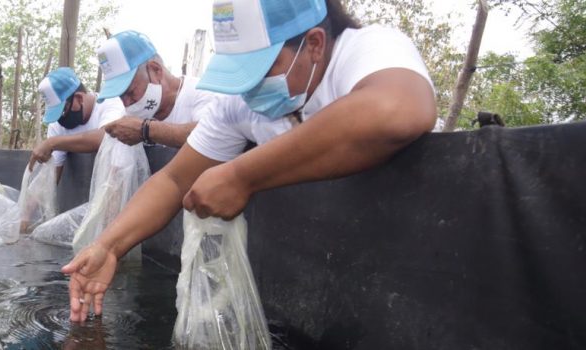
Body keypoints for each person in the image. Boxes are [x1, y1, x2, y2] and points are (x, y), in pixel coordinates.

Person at [63, 0, 437, 322]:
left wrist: (242, 175)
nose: (247, 88)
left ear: (315, 45)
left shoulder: (369, 48)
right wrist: (108, 246)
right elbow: (175, 182)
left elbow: (396, 110)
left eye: (260, 71)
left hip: (418, 273)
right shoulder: (240, 104)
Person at [96, 30, 218, 148]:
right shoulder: (131, 117)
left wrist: (146, 130)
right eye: (120, 96)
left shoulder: (202, 93)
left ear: (156, 70)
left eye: (130, 92)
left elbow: (214, 135)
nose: (126, 103)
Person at [29, 67, 125, 179]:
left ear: (79, 98)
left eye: (63, 111)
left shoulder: (109, 103)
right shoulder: (57, 124)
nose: (60, 120)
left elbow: (106, 137)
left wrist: (52, 143)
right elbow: (53, 173)